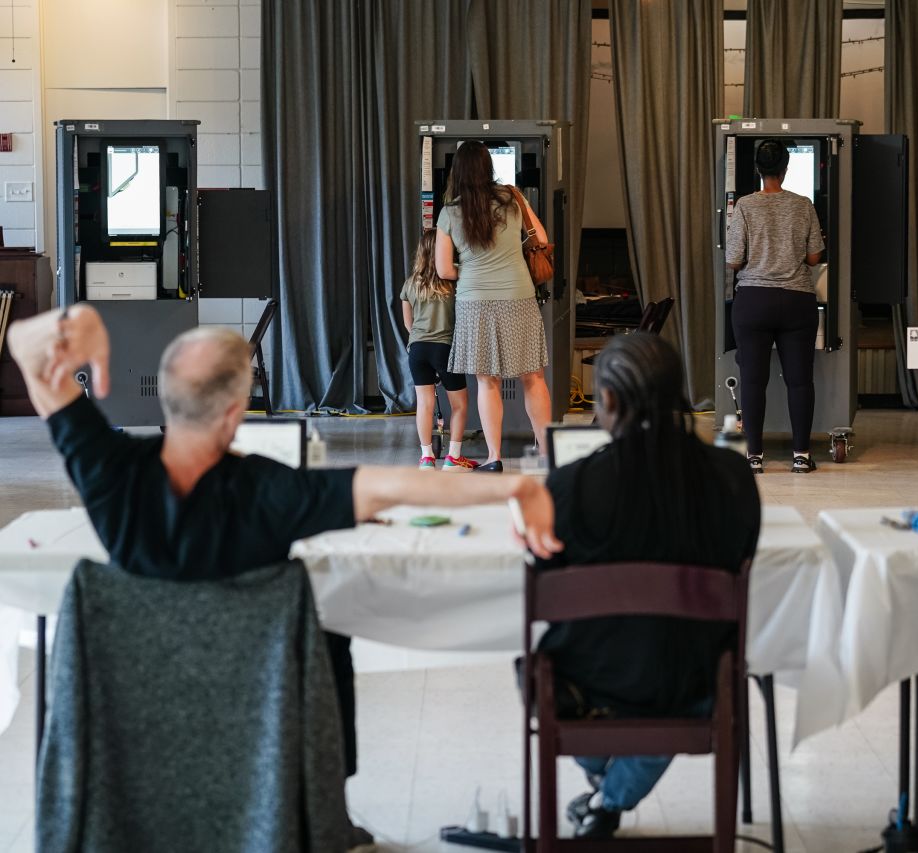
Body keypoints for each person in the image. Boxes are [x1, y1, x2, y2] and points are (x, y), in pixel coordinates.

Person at [8, 304, 562, 849]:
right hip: (255, 720)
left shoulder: (108, 473)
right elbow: (401, 487)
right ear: (235, 410)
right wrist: (517, 486)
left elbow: (24, 350)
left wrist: (76, 323)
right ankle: (329, 811)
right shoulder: (273, 493)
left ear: (168, 395)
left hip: (132, 727)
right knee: (331, 635)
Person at [533, 332, 761, 839]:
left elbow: (549, 583)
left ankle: (605, 789)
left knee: (560, 663)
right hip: (696, 682)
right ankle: (609, 797)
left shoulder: (569, 486)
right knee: (669, 665)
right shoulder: (733, 477)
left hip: (590, 685)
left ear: (608, 401)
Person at [435, 141, 553, 472]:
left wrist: (473, 270)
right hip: (519, 296)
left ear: (457, 172)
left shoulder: (450, 212)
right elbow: (541, 239)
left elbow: (444, 270)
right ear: (488, 167)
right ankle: (546, 453)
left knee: (488, 382)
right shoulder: (512, 199)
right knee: (533, 378)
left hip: (475, 303)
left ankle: (494, 457)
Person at [725, 138, 825, 475]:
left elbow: (734, 260)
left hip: (753, 300)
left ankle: (754, 456)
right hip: (797, 300)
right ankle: (800, 455)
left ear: (757, 169)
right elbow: (814, 257)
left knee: (753, 380)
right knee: (800, 381)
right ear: (786, 168)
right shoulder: (803, 205)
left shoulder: (745, 206)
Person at [401, 227, 475, 471]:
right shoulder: (453, 282)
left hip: (417, 350)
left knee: (424, 404)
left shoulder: (410, 284)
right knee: (460, 404)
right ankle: (453, 458)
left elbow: (408, 323)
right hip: (444, 348)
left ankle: (426, 458)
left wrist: (419, 340)